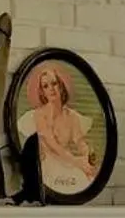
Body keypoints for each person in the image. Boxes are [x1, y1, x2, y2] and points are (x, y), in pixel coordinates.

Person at [17, 63, 98, 193]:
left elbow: (79, 141)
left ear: (61, 85)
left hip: (68, 161)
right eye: (45, 86)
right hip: (48, 165)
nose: (51, 89)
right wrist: (78, 162)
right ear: (42, 92)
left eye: (54, 83)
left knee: (87, 179)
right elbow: (53, 145)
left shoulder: (72, 116)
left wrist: (88, 153)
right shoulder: (39, 115)